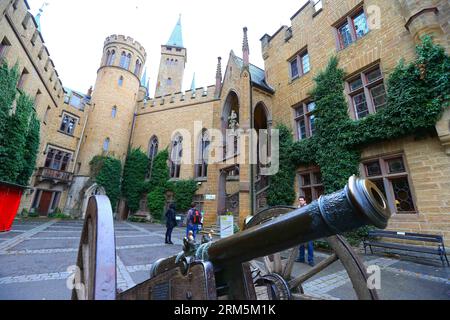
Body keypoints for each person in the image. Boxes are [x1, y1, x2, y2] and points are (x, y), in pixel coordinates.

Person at [295, 196, 315, 266]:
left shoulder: (308, 208)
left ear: (305, 201)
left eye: (302, 200)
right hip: (301, 229)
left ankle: (311, 260)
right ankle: (301, 258)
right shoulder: (297, 208)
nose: (300, 201)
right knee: (301, 245)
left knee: (310, 245)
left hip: (308, 229)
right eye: (299, 200)